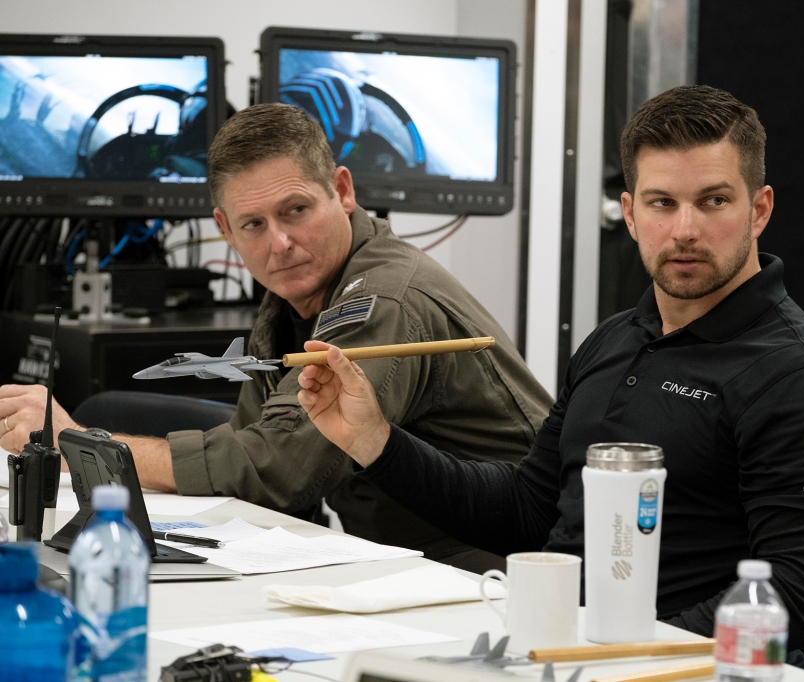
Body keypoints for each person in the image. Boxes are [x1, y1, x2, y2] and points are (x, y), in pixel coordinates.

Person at [294, 86, 804, 667]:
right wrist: (375, 442)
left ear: (758, 209)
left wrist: (609, 651)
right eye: (662, 203)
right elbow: (529, 512)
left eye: (713, 201)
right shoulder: (614, 340)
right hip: (574, 652)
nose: (684, 228)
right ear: (631, 215)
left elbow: (794, 602)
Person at [0, 103, 552, 573]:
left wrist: (81, 445)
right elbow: (258, 447)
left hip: (493, 566)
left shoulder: (380, 300)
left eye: (296, 210)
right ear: (225, 227)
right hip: (398, 561)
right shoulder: (299, 290)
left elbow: (276, 469)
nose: (280, 242)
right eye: (254, 225)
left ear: (341, 190)